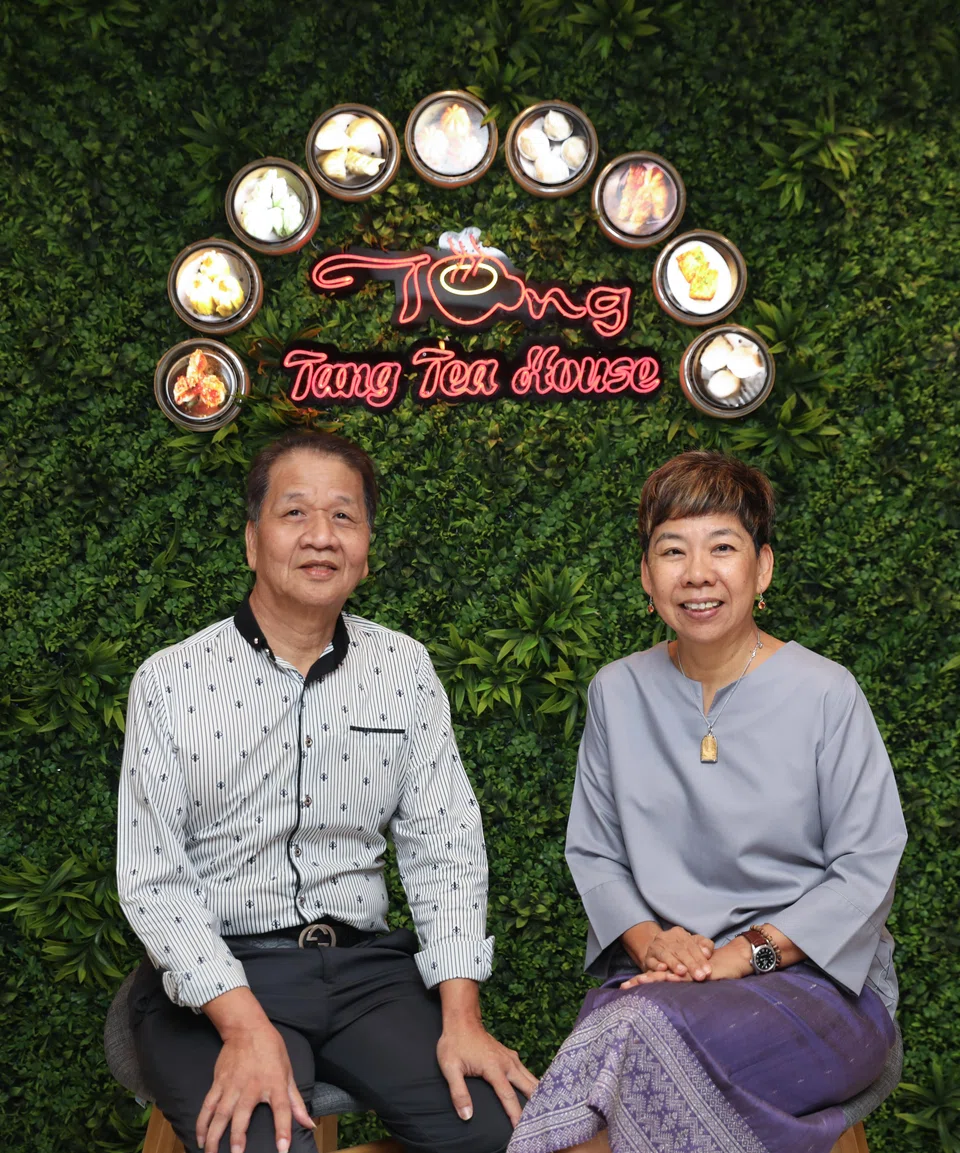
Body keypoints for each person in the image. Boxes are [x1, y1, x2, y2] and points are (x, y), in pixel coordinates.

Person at [117, 430, 537, 1153]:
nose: (321, 535)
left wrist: (462, 1018)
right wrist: (245, 1026)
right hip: (222, 974)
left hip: (366, 975)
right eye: (295, 513)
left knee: (510, 1131)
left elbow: (445, 848)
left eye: (343, 515)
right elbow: (153, 880)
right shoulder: (171, 680)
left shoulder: (403, 668)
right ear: (252, 541)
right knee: (263, 1141)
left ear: (366, 549)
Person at [508, 451, 907, 1153]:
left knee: (625, 1051)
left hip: (815, 984)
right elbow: (596, 854)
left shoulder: (826, 692)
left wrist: (743, 955)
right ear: (646, 576)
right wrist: (653, 942)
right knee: (635, 1036)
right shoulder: (617, 691)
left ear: (763, 568)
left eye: (722, 547)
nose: (697, 573)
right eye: (673, 551)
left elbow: (867, 867)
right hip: (659, 979)